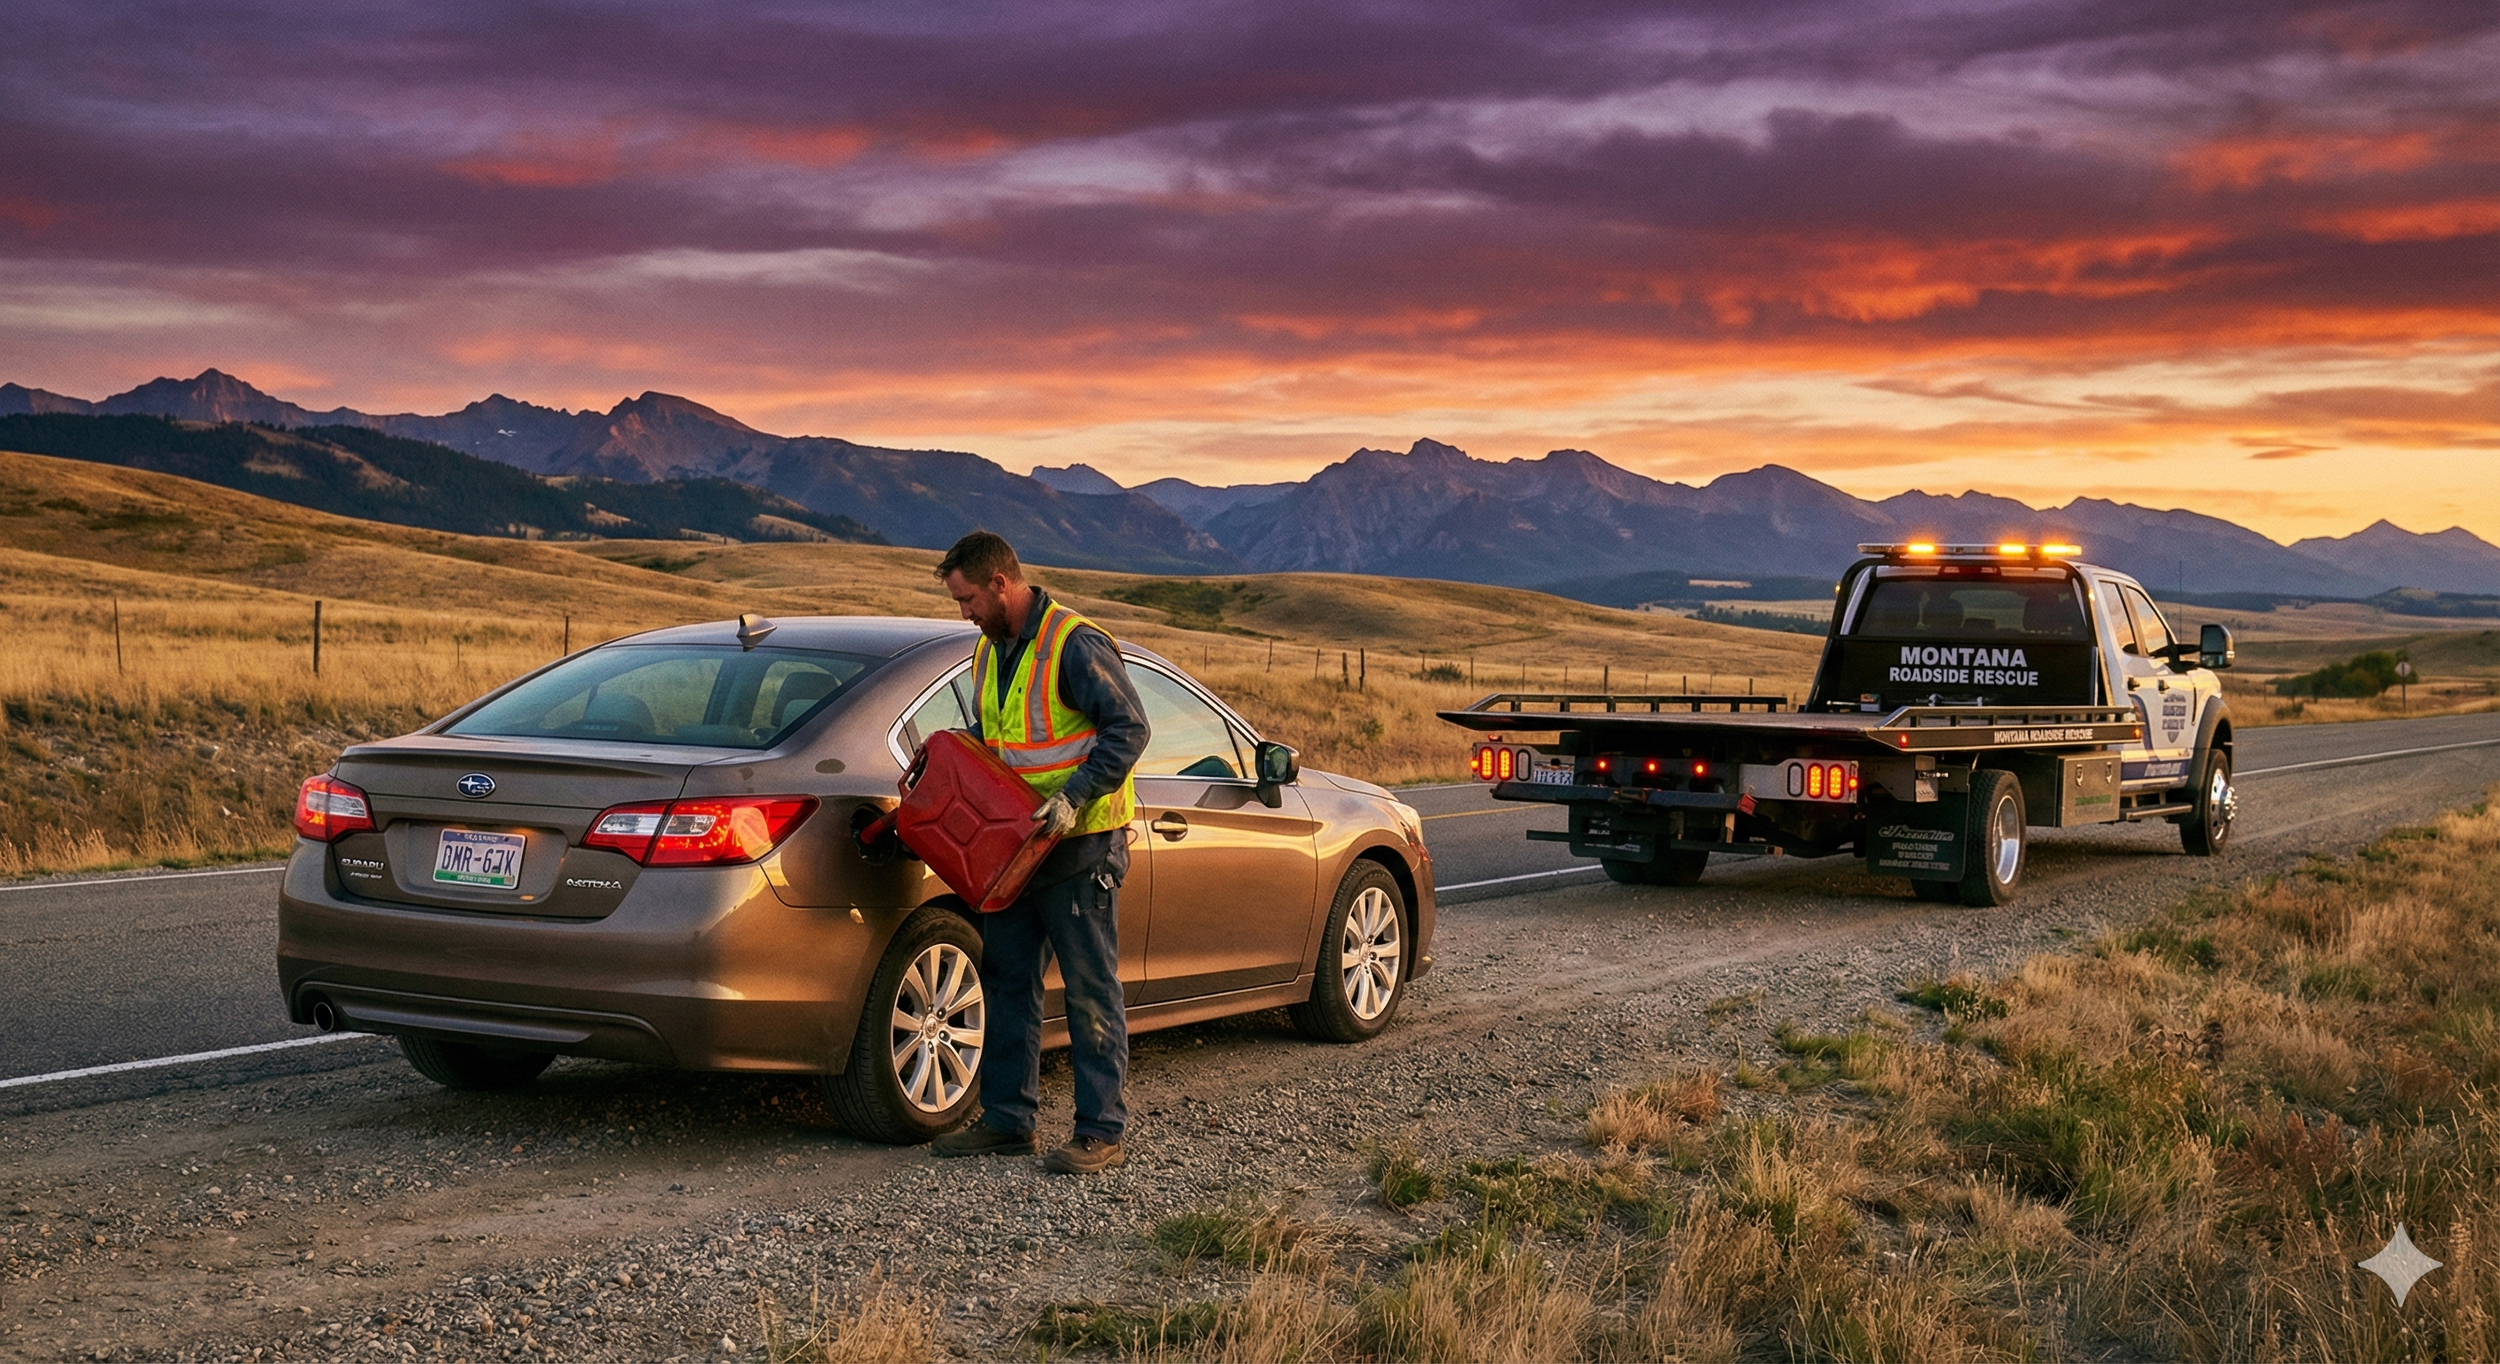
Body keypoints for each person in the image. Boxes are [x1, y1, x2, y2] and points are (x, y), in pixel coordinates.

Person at [927, 530, 1150, 1174]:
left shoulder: (1072, 643)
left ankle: (1101, 1131)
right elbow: (1001, 736)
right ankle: (1007, 1121)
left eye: (967, 598)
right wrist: (954, 753)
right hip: (1016, 849)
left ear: (1001, 583)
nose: (963, 611)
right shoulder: (989, 650)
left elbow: (1129, 727)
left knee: (1088, 989)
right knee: (1007, 981)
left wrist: (1076, 796)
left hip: (1080, 846)